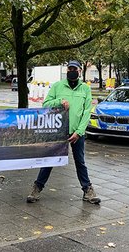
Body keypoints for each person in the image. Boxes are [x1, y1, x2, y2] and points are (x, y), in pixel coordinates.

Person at [27, 60, 100, 205]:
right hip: (58, 131)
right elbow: (45, 104)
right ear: (67, 71)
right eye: (69, 68)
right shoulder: (57, 86)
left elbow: (86, 113)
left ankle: (88, 191)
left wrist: (79, 132)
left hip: (77, 133)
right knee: (49, 161)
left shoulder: (85, 89)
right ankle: (36, 188)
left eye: (74, 69)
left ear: (79, 71)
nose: (71, 71)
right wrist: (59, 101)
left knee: (80, 162)